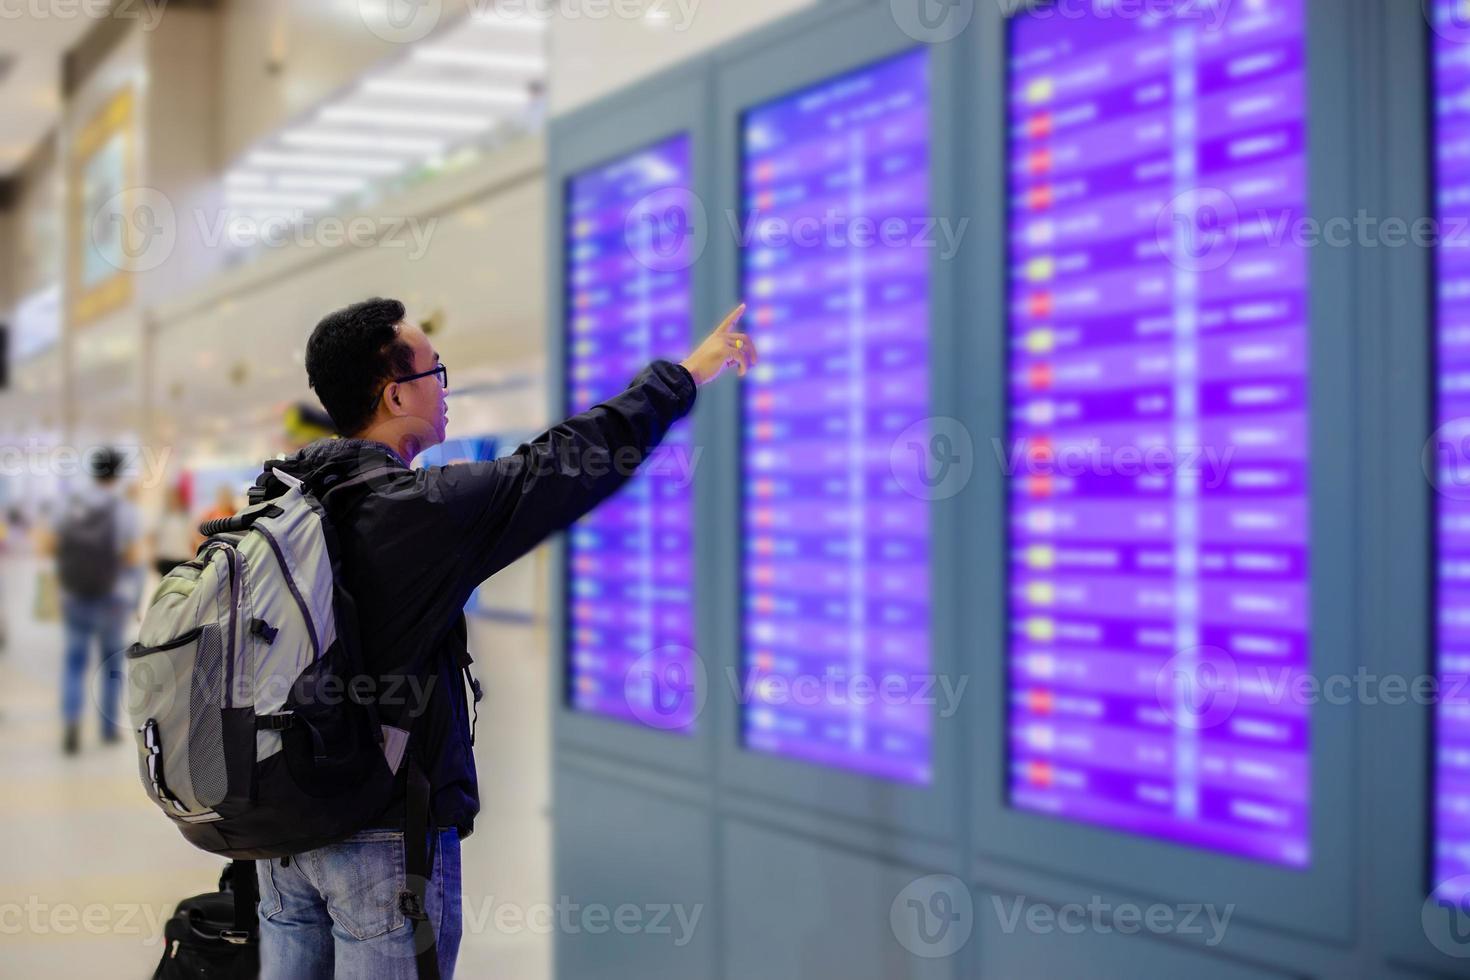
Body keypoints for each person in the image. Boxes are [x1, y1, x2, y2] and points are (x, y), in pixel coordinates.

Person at [250, 297, 754, 979]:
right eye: (437, 371)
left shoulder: (285, 499)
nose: (445, 388)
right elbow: (564, 463)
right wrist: (687, 374)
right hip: (380, 839)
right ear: (396, 393)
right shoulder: (416, 512)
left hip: (283, 834)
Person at [49, 447, 141, 754]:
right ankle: (107, 727)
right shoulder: (123, 509)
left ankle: (72, 723)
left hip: (74, 595)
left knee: (74, 663)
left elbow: (50, 544)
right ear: (116, 474)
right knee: (110, 664)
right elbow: (131, 557)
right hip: (111, 597)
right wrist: (136, 599)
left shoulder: (70, 505)